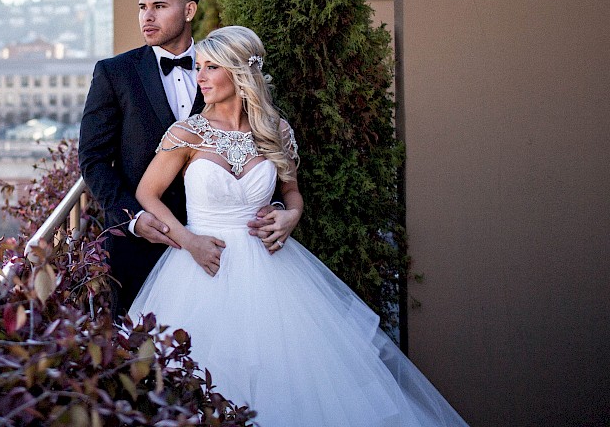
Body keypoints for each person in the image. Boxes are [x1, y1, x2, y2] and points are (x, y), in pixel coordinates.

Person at [130, 25, 469, 426]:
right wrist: (188, 241)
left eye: (210, 67)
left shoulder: (276, 131)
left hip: (272, 269)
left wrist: (291, 216)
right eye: (198, 67)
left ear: (240, 73)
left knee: (286, 381)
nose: (199, 77)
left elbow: (292, 194)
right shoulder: (186, 132)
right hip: (201, 265)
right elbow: (147, 193)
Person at [79, 0, 279, 313]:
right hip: (142, 245)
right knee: (146, 354)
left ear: (189, 11)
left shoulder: (222, 67)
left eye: (159, 6)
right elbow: (93, 160)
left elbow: (253, 144)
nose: (147, 17)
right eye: (143, 8)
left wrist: (278, 209)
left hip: (229, 249)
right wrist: (134, 217)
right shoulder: (114, 73)